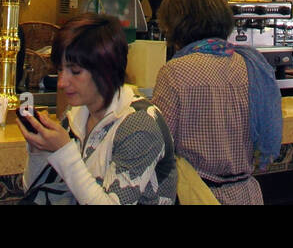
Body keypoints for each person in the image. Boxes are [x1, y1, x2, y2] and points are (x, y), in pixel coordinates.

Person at [19, 15, 177, 204]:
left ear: (105, 69)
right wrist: (39, 152)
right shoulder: (76, 115)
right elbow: (37, 193)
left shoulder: (139, 124)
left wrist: (65, 151)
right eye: (60, 70)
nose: (62, 82)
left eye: (75, 71)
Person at [151, 0, 283, 204]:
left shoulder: (174, 72)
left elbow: (159, 146)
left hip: (198, 195)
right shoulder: (250, 65)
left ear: (176, 27)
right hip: (246, 194)